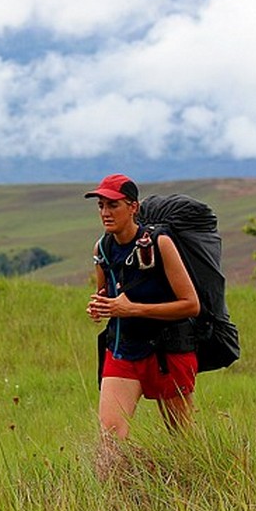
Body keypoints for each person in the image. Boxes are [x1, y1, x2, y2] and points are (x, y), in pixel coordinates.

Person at [85, 174, 201, 450]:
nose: (105, 212)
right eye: (101, 205)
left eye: (113, 205)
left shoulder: (160, 243)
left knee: (182, 439)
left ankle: (194, 487)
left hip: (167, 351)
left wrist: (131, 309)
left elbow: (191, 304)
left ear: (133, 207)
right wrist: (100, 306)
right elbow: (107, 295)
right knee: (110, 439)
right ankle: (115, 492)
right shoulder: (102, 248)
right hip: (122, 349)